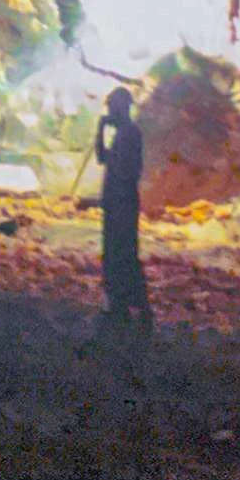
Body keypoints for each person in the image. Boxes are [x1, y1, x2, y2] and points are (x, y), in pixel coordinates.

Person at [95, 85, 149, 325]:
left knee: (122, 252)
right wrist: (101, 129)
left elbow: (126, 171)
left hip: (122, 203)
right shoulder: (124, 133)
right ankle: (122, 302)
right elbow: (101, 158)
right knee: (117, 252)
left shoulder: (131, 133)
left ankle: (130, 303)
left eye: (112, 107)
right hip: (116, 202)